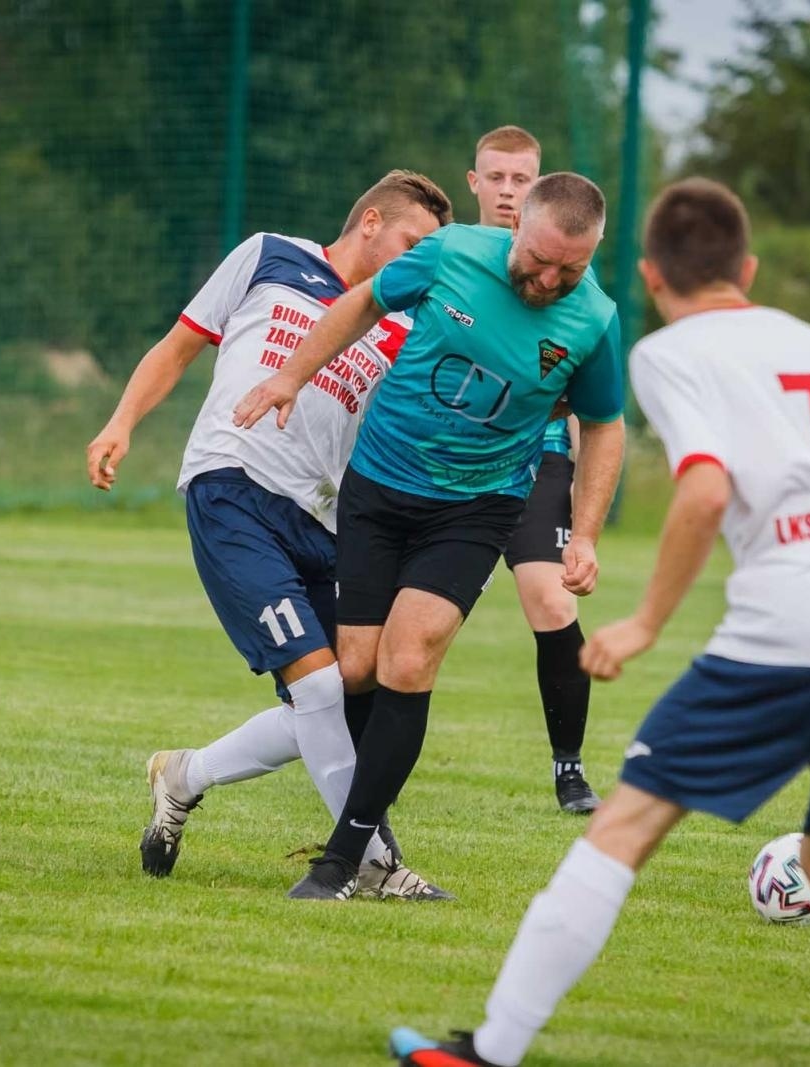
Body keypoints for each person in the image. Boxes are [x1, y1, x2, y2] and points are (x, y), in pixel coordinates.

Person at [387, 178, 810, 1066]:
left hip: (787, 631)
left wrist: (643, 626)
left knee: (619, 830)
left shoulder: (675, 354)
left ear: (649, 274)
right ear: (748, 267)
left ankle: (487, 1053)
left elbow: (703, 489)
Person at [234, 172, 627, 901]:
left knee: (407, 660)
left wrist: (588, 532)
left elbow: (605, 424)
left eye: (569, 269)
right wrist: (292, 376)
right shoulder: (450, 254)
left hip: (475, 508)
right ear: (518, 230)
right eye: (538, 259)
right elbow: (362, 302)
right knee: (354, 669)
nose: (548, 279)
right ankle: (207, 777)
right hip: (378, 488)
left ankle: (342, 860)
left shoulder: (594, 318)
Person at [85, 170, 456, 900]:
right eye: (414, 243)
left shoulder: (401, 325)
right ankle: (377, 865)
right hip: (232, 490)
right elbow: (177, 347)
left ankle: (183, 775)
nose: (420, 263)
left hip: (324, 522)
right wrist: (120, 422)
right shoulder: (268, 255)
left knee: (344, 693)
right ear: (372, 221)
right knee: (317, 684)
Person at [468, 125, 599, 815]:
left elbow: (592, 390)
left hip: (537, 456)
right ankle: (358, 760)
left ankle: (570, 769)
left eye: (523, 179)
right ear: (475, 183)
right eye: (498, 178)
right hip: (447, 460)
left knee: (552, 602)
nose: (510, 191)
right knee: (405, 627)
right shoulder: (452, 257)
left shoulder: (574, 273)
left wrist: (582, 489)